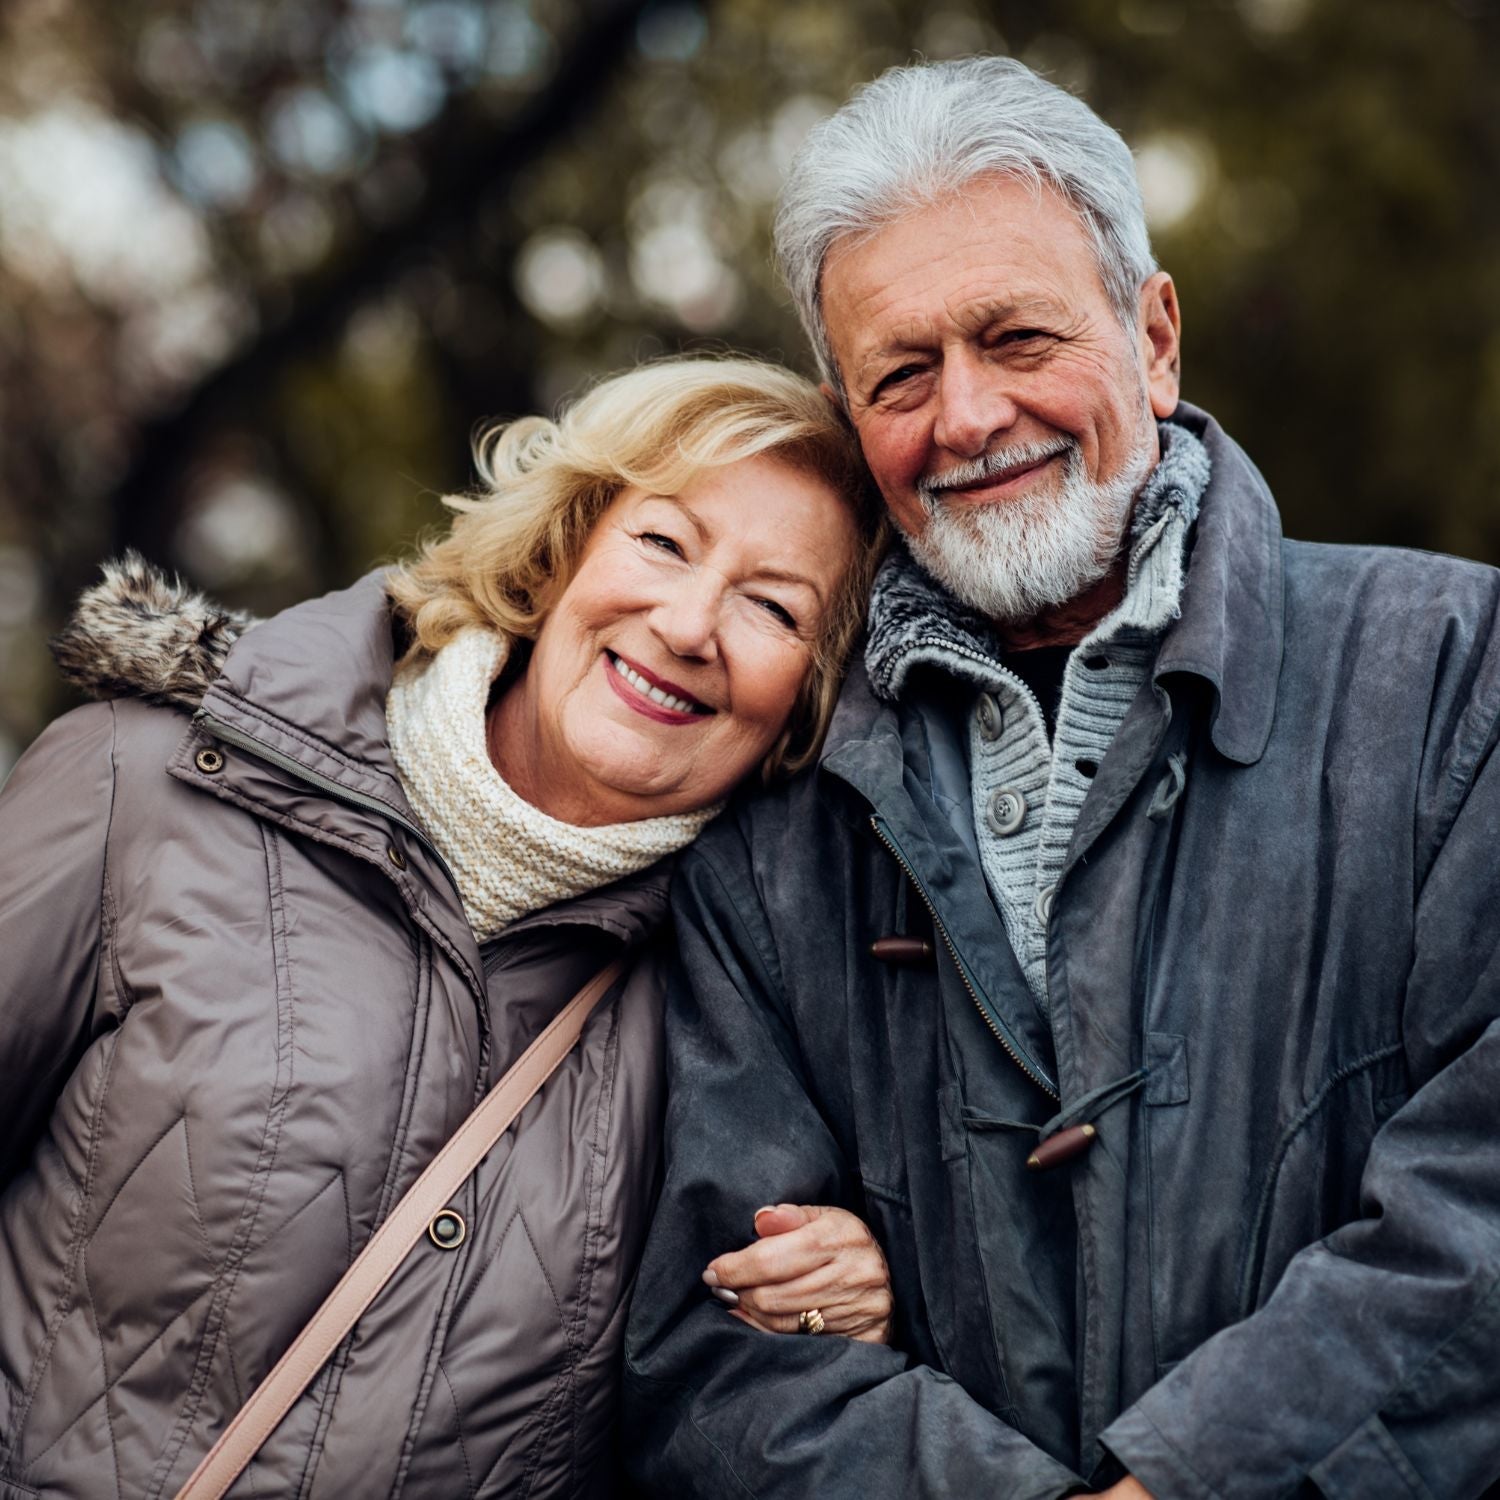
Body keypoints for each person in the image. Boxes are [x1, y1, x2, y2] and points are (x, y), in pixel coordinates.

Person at [622, 57, 1500, 1500]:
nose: (965, 417)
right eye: (900, 374)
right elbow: (721, 1352)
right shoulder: (772, 811)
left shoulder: (1459, 673)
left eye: (1017, 336)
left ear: (1153, 339)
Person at [0, 357, 896, 1498]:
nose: (687, 624)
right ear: (565, 545)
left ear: (808, 699)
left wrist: (857, 1287)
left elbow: (712, 1415)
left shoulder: (747, 1014)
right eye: (663, 543)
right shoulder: (149, 783)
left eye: (773, 607)